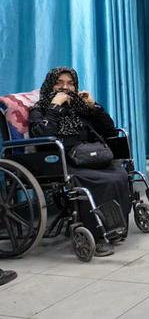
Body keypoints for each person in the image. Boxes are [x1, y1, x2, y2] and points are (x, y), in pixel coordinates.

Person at [29, 67, 131, 257]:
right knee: (98, 181)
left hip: (90, 157)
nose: (64, 88)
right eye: (59, 83)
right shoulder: (39, 109)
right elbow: (41, 135)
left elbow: (109, 129)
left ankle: (115, 228)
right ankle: (97, 234)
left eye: (70, 84)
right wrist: (55, 107)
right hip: (63, 161)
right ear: (50, 85)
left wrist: (94, 106)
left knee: (119, 175)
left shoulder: (80, 108)